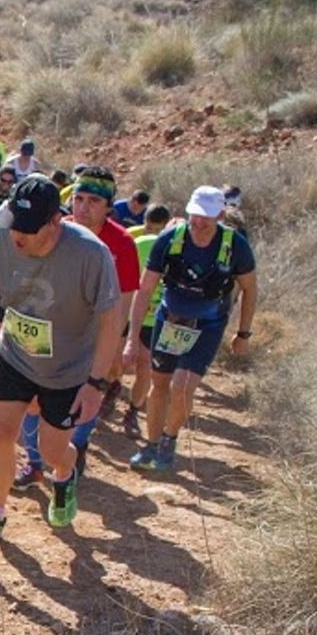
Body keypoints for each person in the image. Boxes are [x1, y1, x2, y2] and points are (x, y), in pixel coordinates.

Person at [0, 176, 122, 538]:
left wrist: (96, 383)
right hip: (17, 355)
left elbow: (111, 318)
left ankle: (65, 475)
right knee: (3, 431)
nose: (17, 236)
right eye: (14, 225)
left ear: (56, 221)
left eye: (29, 229)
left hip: (67, 368)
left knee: (52, 450)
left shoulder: (90, 254)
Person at [14, 166, 140, 485]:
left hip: (93, 335)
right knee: (31, 398)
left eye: (93, 201)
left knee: (82, 397)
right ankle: (34, 461)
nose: (83, 207)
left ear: (109, 206)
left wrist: (118, 344)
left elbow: (124, 299)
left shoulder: (121, 244)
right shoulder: (56, 228)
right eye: (79, 198)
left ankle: (76, 445)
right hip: (49, 328)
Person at [126, 187, 258, 472]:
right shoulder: (170, 239)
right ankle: (151, 445)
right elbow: (146, 288)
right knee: (159, 384)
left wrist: (243, 332)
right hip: (171, 320)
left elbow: (250, 288)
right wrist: (132, 337)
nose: (197, 227)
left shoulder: (235, 245)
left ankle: (169, 438)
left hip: (208, 324)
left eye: (205, 222)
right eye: (193, 219)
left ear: (221, 216)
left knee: (183, 385)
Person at [121, 204, 172, 436]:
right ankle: (110, 388)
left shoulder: (179, 251)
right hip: (127, 313)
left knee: (145, 367)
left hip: (155, 321)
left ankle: (132, 412)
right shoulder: (135, 243)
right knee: (116, 363)